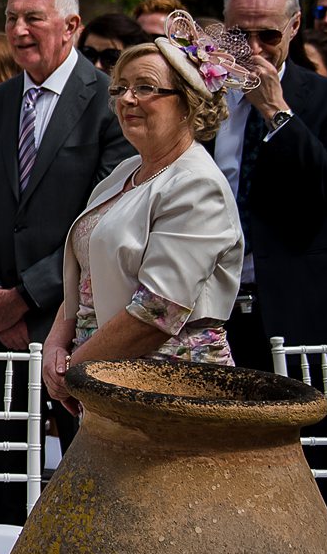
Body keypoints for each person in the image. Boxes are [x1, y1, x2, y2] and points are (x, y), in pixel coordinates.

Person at [0, 0, 129, 523]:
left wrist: (27, 298)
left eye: (33, 17)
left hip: (74, 320)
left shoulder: (110, 103)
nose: (18, 29)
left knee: (89, 470)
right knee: (11, 470)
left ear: (72, 26)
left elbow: (102, 219)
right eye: (11, 17)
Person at [40, 38, 245, 415]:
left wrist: (76, 369)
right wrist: (55, 343)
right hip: (104, 375)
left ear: (188, 102)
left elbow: (158, 310)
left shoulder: (197, 184)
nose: (126, 99)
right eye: (120, 88)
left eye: (145, 87)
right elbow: (86, 276)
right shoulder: (123, 174)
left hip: (167, 389)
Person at [210, 0, 327, 373]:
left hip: (297, 304)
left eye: (269, 36)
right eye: (240, 36)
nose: (255, 49)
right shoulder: (201, 94)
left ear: (294, 27)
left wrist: (278, 113)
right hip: (208, 303)